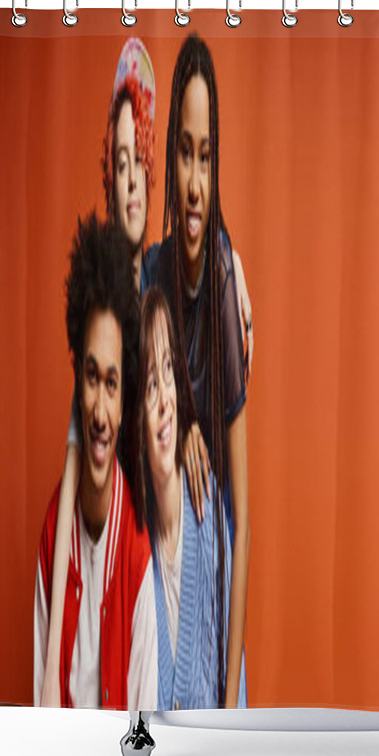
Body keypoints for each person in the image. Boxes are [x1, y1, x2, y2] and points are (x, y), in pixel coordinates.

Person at [40, 38, 255, 708]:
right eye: (123, 165)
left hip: (193, 548)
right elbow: (88, 442)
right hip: (135, 572)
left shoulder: (199, 272)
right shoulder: (129, 290)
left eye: (144, 164)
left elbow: (240, 520)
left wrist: (235, 267)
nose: (136, 181)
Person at [151, 33, 249, 708]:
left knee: (205, 508)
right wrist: (180, 423)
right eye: (184, 154)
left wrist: (232, 689)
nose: (194, 182)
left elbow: (249, 520)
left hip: (211, 584)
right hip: (162, 586)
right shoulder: (151, 274)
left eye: (206, 157)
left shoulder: (224, 282)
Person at [34, 213, 157, 710]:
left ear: (124, 398)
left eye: (112, 382)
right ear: (76, 381)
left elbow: (147, 744)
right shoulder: (51, 539)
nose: (101, 413)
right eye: (90, 377)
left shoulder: (137, 553)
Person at [136, 288, 245, 709]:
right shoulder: (131, 538)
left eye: (168, 373)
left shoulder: (209, 512)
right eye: (148, 385)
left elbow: (237, 694)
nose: (165, 398)